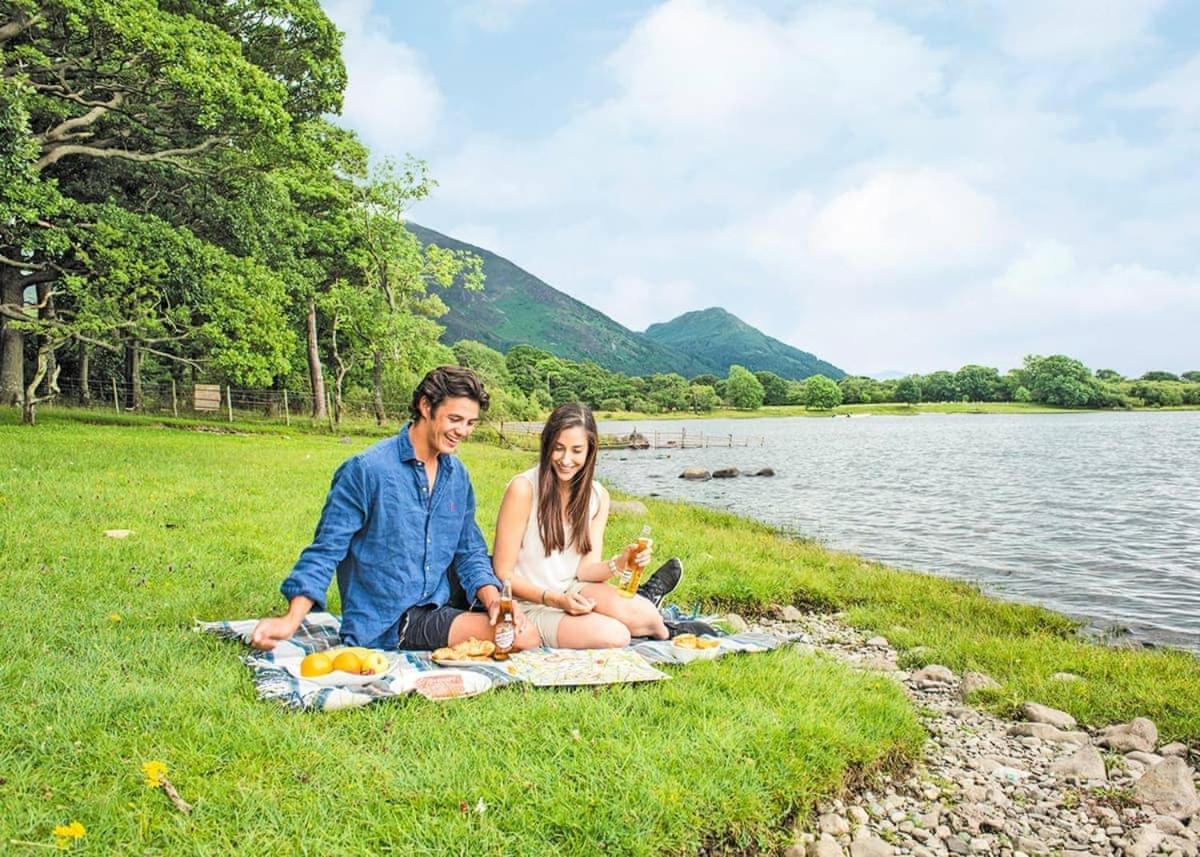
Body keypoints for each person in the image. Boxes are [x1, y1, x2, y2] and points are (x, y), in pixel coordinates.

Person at [250, 366, 538, 653]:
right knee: (521, 638)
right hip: (393, 619)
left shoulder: (457, 475)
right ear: (426, 406)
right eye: (455, 419)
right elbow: (326, 550)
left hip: (440, 594)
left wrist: (493, 602)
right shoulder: (367, 470)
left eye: (471, 423)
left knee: (515, 616)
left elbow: (469, 551)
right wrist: (290, 621)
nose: (462, 431)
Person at [491, 402, 695, 649]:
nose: (566, 459)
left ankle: (666, 631)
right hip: (531, 602)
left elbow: (585, 571)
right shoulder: (523, 489)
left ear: (590, 450)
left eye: (576, 450)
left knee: (649, 617)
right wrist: (556, 600)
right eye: (558, 448)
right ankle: (637, 617)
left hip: (575, 588)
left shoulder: (597, 496)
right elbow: (503, 572)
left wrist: (620, 562)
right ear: (547, 446)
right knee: (616, 636)